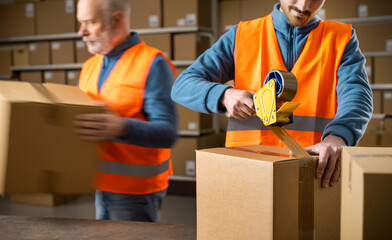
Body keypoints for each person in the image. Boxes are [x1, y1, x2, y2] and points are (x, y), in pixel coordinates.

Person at [171, 0, 372, 188]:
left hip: (313, 170)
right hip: (248, 172)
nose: (304, 6)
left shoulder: (341, 38)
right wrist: (225, 95)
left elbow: (357, 94)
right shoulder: (242, 35)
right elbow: (182, 85)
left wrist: (337, 138)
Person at [73, 0, 177, 222]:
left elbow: (168, 133)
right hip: (100, 184)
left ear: (117, 19)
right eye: (80, 23)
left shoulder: (152, 63)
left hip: (136, 191)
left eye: (90, 22)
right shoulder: (90, 66)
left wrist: (120, 127)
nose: (81, 31)